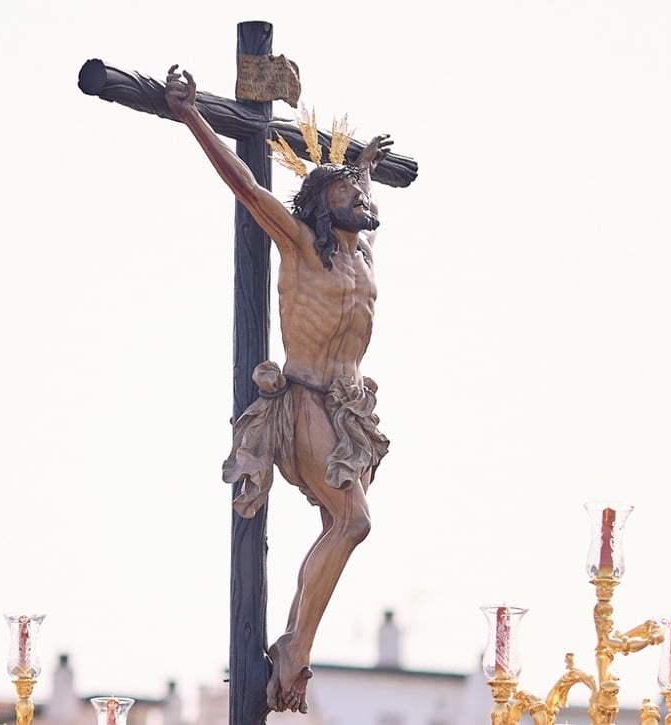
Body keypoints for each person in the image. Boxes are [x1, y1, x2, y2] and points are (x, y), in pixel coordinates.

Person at [164, 65, 392, 714]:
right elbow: (245, 184)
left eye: (359, 191)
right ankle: (295, 648)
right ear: (322, 204)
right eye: (346, 191)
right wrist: (193, 118)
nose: (359, 198)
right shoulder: (298, 245)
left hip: (352, 412)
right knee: (353, 520)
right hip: (306, 400)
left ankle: (294, 646)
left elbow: (362, 199)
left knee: (339, 525)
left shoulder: (363, 256)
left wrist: (366, 170)